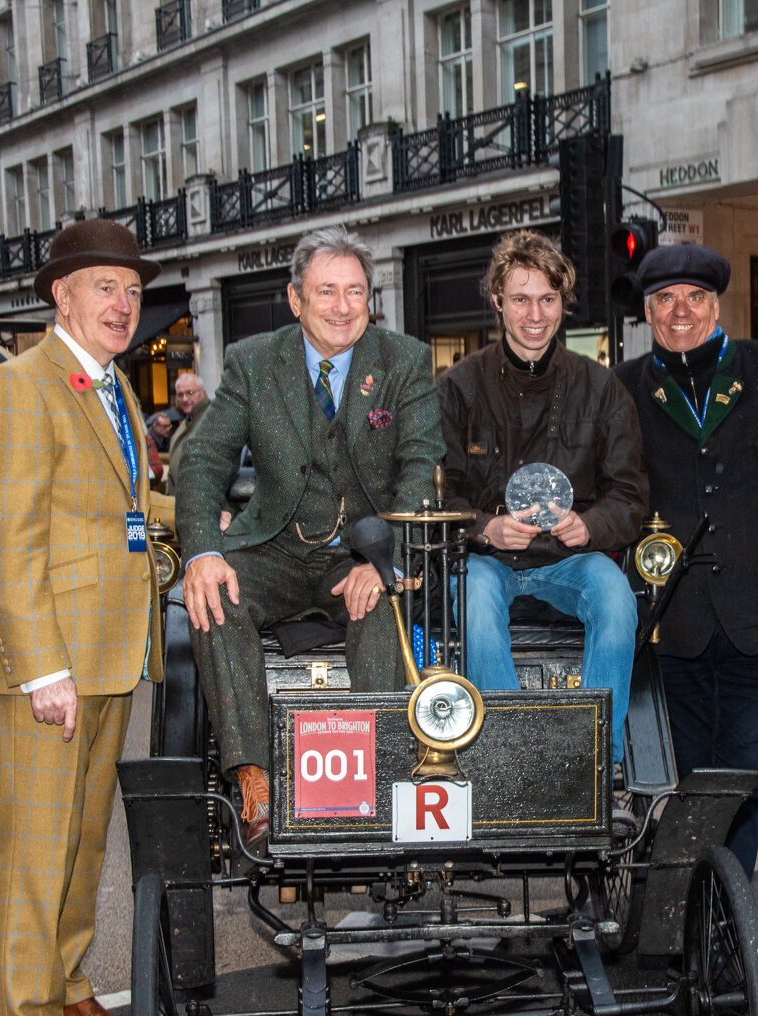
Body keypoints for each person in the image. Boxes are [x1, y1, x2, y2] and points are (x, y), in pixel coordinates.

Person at [0, 218, 165, 1016]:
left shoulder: (109, 387)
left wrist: (198, 523)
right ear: (61, 295)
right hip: (53, 665)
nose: (122, 304)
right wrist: (43, 668)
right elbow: (4, 538)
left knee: (82, 844)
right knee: (36, 852)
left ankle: (69, 989)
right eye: (104, 288)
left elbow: (125, 503)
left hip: (110, 655)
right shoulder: (19, 385)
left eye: (131, 289)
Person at [175, 226, 443, 847]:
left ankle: (376, 784)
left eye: (355, 291)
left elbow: (420, 468)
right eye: (327, 291)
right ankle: (255, 781)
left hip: (360, 552)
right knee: (214, 598)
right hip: (271, 545)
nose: (343, 306)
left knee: (382, 609)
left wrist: (383, 561)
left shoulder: (403, 360)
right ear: (296, 299)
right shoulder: (251, 360)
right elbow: (205, 461)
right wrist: (204, 551)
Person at [611, 244, 758, 879]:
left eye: (694, 298)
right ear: (648, 313)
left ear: (716, 305)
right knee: (684, 782)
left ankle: (722, 921)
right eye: (664, 300)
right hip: (668, 619)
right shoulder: (622, 388)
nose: (679, 311)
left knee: (744, 780)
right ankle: (684, 909)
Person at [437, 231, 646, 765]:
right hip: (486, 558)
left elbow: (630, 495)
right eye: (521, 298)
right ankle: (512, 760)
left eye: (547, 299)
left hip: (571, 559)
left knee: (616, 598)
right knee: (475, 602)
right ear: (498, 302)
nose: (535, 314)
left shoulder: (602, 389)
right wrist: (485, 526)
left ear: (563, 305)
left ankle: (599, 764)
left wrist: (591, 526)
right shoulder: (459, 387)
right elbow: (436, 494)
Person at [163, 370, 211, 483]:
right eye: (180, 394)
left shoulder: (212, 420)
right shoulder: (188, 420)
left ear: (203, 393)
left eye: (190, 393)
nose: (184, 399)